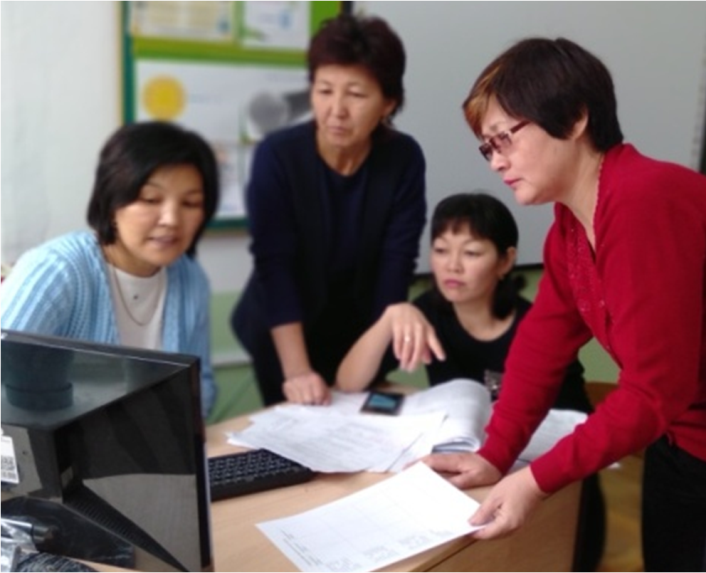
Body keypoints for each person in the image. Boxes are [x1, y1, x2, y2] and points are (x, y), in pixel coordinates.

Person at [420, 37, 706, 573]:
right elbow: (541, 345)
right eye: (487, 147)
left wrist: (534, 480)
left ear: (576, 118)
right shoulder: (570, 228)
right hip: (685, 440)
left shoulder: (645, 201)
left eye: (505, 137)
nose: (497, 160)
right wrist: (495, 454)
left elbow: (653, 389)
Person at [337, 191, 605, 573]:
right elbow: (349, 382)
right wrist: (391, 317)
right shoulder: (428, 313)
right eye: (441, 250)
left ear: (505, 261)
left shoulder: (537, 328)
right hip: (469, 478)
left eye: (472, 253)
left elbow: (574, 428)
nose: (453, 266)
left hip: (551, 488)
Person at [231, 14, 426, 407]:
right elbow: (275, 265)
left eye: (355, 94)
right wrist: (298, 372)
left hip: (361, 329)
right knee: (299, 427)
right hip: (284, 330)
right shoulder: (278, 156)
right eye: (324, 90)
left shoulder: (402, 159)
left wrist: (369, 356)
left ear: (388, 103)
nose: (336, 109)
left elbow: (397, 263)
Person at [0, 121, 220, 418]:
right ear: (112, 200)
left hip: (151, 446)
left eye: (191, 203)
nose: (171, 219)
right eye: (150, 199)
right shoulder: (58, 271)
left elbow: (200, 385)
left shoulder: (190, 278)